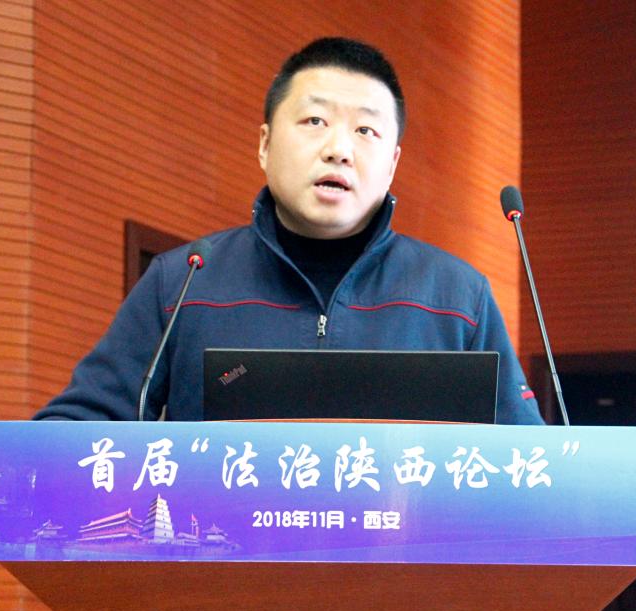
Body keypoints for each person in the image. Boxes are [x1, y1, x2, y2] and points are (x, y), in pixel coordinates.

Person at [35, 37, 544, 425]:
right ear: (264, 144)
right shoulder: (183, 283)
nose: (338, 149)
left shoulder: (458, 296)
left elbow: (533, 467)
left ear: (391, 165)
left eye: (365, 130)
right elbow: (75, 431)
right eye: (315, 121)